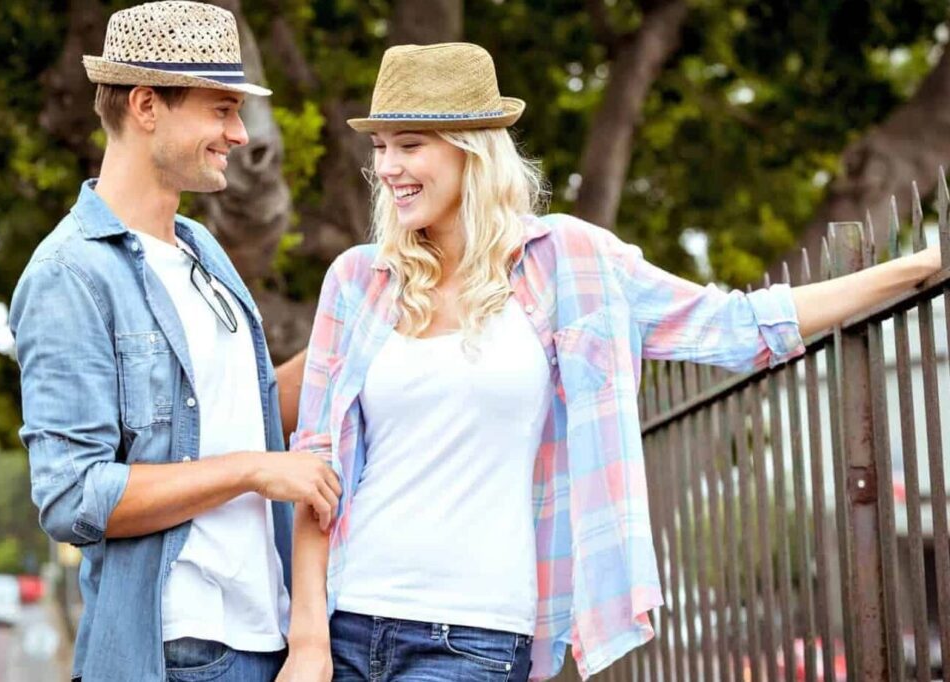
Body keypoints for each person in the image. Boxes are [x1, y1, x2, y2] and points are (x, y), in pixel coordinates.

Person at [282, 42, 944, 682]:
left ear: (472, 150)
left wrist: (925, 262)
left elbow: (737, 326)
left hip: (473, 635)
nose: (389, 168)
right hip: (349, 619)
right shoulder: (358, 281)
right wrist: (308, 640)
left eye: (410, 145)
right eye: (381, 148)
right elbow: (317, 466)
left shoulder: (569, 262)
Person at [9, 3, 340, 681]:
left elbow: (240, 414)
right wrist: (249, 470)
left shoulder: (201, 248)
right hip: (177, 653)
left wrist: (355, 337)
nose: (240, 134)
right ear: (146, 105)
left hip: (264, 638)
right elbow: (73, 497)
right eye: (221, 109)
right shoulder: (69, 275)